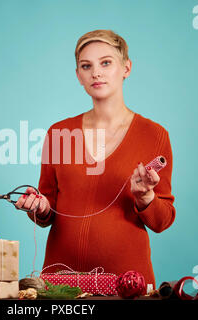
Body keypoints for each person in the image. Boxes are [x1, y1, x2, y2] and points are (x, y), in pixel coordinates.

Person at [14, 30, 176, 289]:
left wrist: (145, 198)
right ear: (78, 75)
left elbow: (162, 220)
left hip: (127, 284)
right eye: (86, 66)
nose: (96, 73)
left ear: (126, 68)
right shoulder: (58, 133)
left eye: (106, 63)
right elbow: (48, 209)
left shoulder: (155, 135)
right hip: (60, 286)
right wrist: (40, 207)